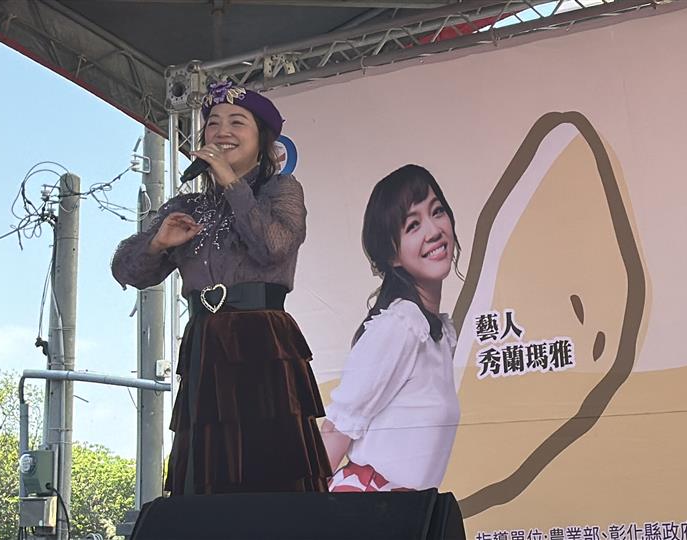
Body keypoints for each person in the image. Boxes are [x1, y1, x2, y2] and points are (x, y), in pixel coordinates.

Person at [111, 79, 329, 495]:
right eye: (213, 123)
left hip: (265, 341)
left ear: (263, 140)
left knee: (272, 464)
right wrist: (158, 244)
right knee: (208, 467)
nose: (222, 131)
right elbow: (127, 270)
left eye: (237, 122)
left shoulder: (281, 190)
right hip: (205, 344)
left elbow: (273, 246)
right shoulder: (186, 206)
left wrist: (232, 183)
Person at [320, 164, 462, 492]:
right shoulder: (400, 326)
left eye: (437, 211)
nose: (433, 231)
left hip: (407, 509)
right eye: (413, 225)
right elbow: (337, 428)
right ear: (392, 255)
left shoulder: (436, 333)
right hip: (367, 506)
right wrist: (298, 511)